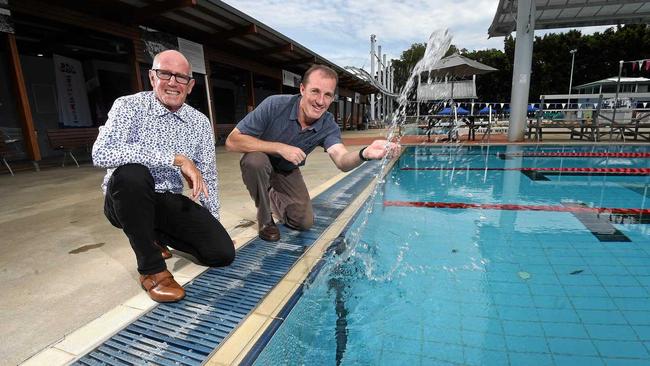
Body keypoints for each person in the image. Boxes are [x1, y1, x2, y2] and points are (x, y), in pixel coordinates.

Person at [92, 50, 235, 303]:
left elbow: (208, 177)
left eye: (181, 77)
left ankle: (153, 235)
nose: (172, 82)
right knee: (132, 173)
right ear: (151, 77)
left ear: (190, 85)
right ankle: (152, 269)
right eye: (164, 73)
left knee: (221, 253)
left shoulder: (199, 123)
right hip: (125, 198)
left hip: (165, 198)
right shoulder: (128, 106)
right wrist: (175, 158)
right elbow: (101, 154)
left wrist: (213, 221)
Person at [225, 64, 399, 242]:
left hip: (286, 169)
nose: (320, 101)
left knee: (303, 221)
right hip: (261, 159)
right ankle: (265, 219)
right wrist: (280, 147)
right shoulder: (275, 104)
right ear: (302, 89)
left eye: (328, 95)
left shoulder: (328, 125)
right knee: (255, 162)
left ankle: (270, 191)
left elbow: (341, 160)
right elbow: (232, 141)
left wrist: (365, 153)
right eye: (315, 91)